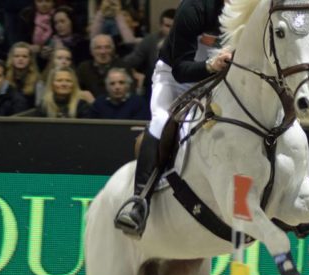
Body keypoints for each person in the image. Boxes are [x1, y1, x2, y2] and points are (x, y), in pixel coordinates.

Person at [115, 0, 232, 237]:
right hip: (174, 78)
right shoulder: (194, 8)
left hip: (217, 82)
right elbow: (180, 69)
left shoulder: (249, 11)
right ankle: (139, 201)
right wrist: (211, 64)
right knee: (161, 121)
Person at [123, 8, 176, 100]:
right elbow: (128, 62)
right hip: (155, 85)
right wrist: (134, 73)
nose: (171, 30)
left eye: (175, 26)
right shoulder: (151, 40)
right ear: (160, 26)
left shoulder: (190, 40)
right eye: (168, 26)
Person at [77, 34, 131, 99]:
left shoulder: (123, 66)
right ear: (91, 51)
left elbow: (130, 92)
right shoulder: (84, 68)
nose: (103, 52)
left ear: (113, 50)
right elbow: (76, 91)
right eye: (98, 48)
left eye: (107, 47)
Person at [5, 42, 41, 108]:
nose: (20, 59)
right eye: (17, 56)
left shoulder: (37, 81)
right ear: (11, 58)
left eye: (24, 56)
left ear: (30, 59)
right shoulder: (4, 78)